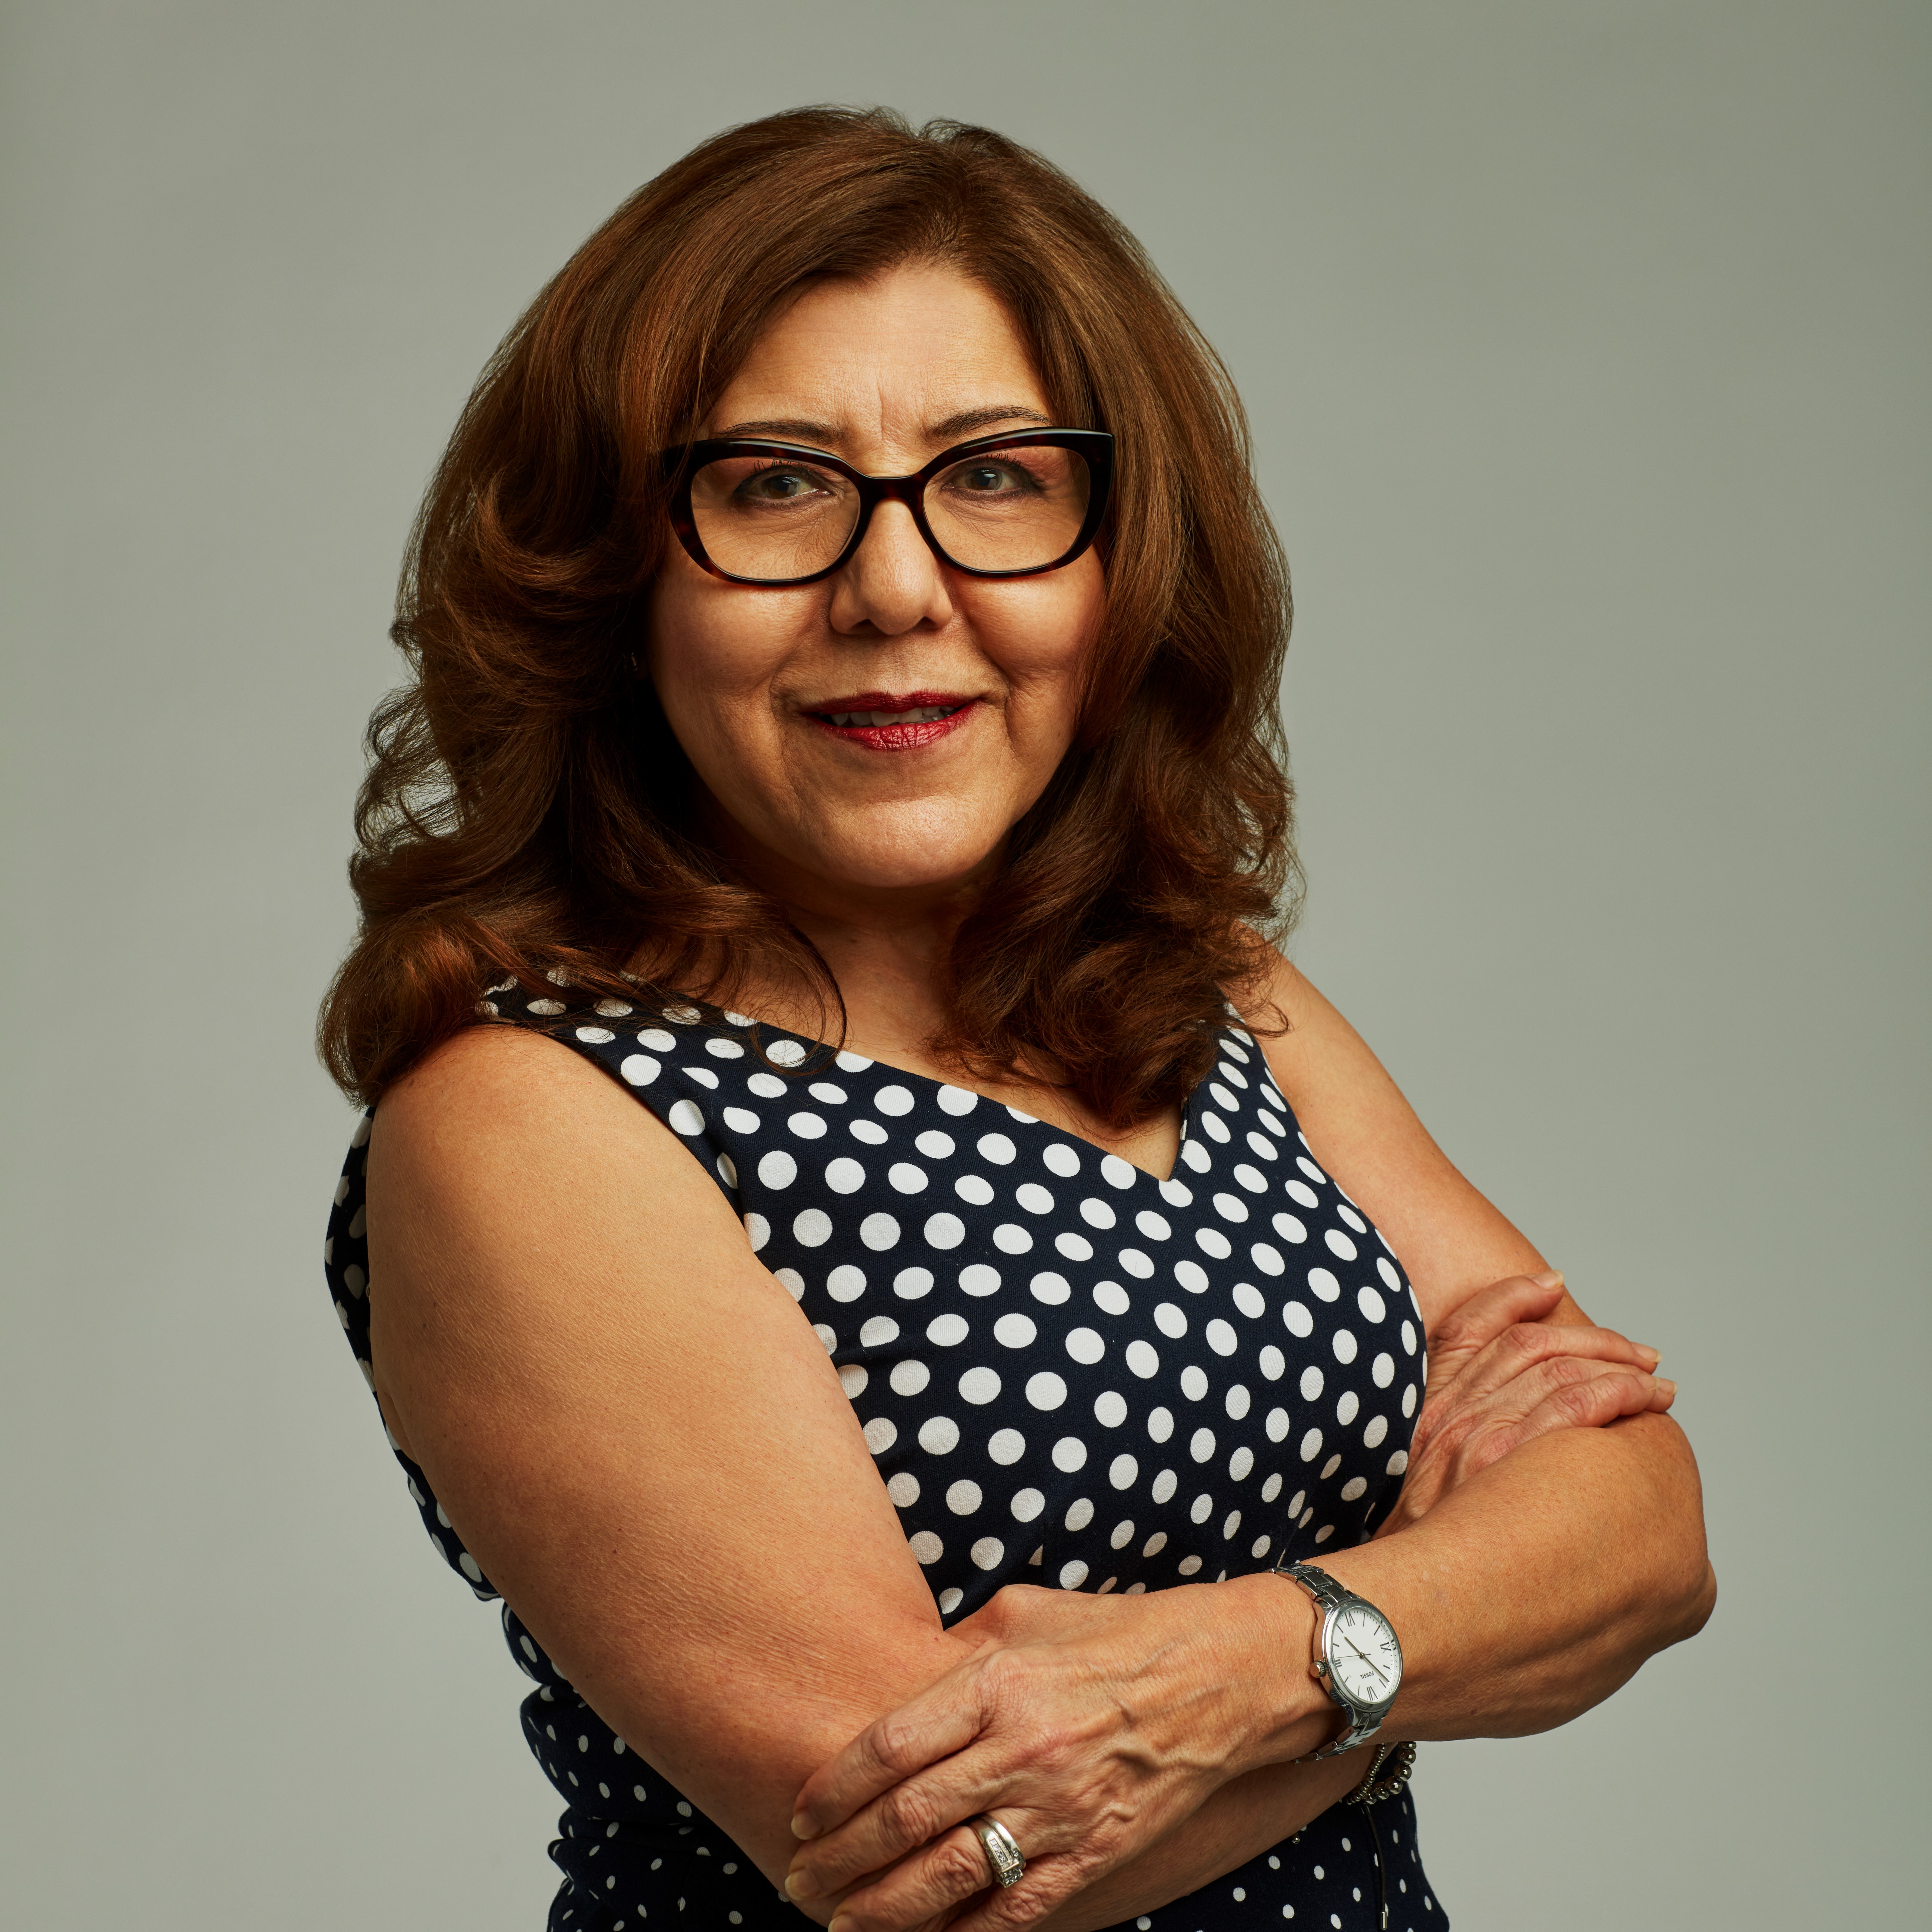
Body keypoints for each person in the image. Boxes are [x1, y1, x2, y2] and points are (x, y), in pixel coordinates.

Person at [319, 107, 1713, 1932]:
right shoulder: (528, 1118)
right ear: (611, 581)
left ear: (1120, 560)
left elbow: (1649, 1530)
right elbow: (934, 1857)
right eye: (772, 485)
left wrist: (1261, 1669)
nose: (897, 588)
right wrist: (1422, 1636)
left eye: (995, 477)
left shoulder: (1210, 986)